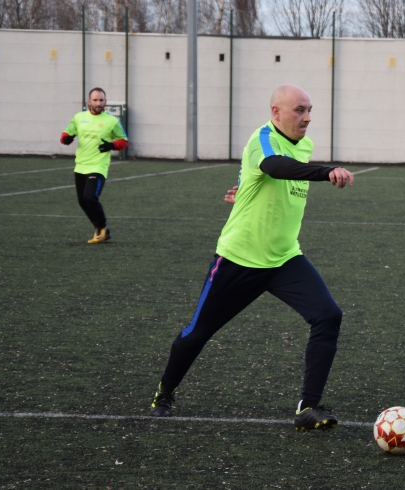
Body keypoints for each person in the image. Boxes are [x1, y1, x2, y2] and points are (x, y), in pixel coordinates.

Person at [150, 84, 355, 431]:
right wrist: (325, 172)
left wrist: (243, 190)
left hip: (284, 259)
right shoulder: (262, 138)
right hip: (239, 258)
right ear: (276, 112)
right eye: (299, 110)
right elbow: (273, 166)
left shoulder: (303, 145)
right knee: (198, 332)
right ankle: (164, 392)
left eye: (309, 110)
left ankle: (308, 407)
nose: (306, 118)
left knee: (328, 315)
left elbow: (258, 178)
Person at [60, 87, 129, 244]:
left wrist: (111, 146)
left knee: (90, 197)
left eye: (101, 100)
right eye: (95, 100)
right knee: (82, 201)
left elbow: (124, 141)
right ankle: (101, 230)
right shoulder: (79, 117)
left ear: (105, 101)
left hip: (98, 166)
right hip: (80, 165)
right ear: (89, 101)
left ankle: (102, 228)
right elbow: (66, 134)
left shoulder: (112, 121)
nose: (98, 103)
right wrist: (66, 139)